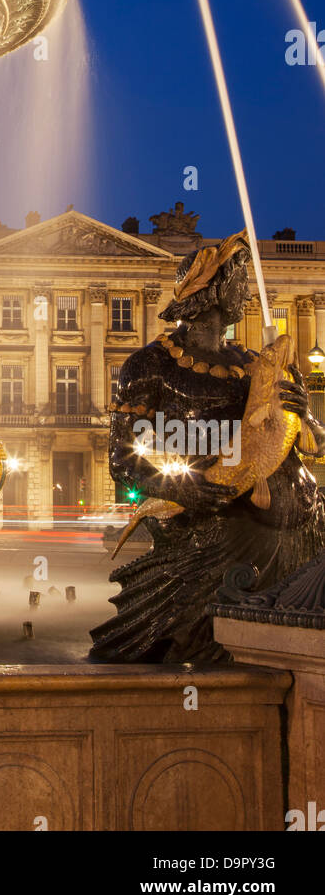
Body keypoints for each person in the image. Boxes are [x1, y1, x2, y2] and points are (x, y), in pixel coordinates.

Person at [90, 232, 325, 662]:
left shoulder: (253, 363)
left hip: (301, 522)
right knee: (207, 647)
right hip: (218, 525)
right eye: (240, 281)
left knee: (289, 650)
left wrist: (305, 412)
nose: (247, 293)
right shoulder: (151, 364)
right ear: (211, 290)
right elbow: (121, 460)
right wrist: (182, 489)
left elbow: (312, 446)